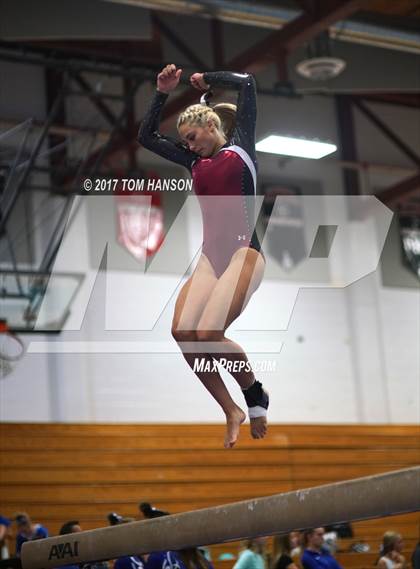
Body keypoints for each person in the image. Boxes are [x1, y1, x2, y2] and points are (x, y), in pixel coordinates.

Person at [138, 63, 268, 449]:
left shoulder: (241, 147)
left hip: (246, 252)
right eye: (186, 143)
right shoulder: (193, 162)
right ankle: (231, 409)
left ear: (212, 128)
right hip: (211, 257)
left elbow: (248, 85)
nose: (190, 146)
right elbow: (146, 137)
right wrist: (161, 91)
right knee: (184, 334)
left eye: (194, 138)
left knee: (210, 333)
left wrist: (209, 79)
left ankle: (255, 394)